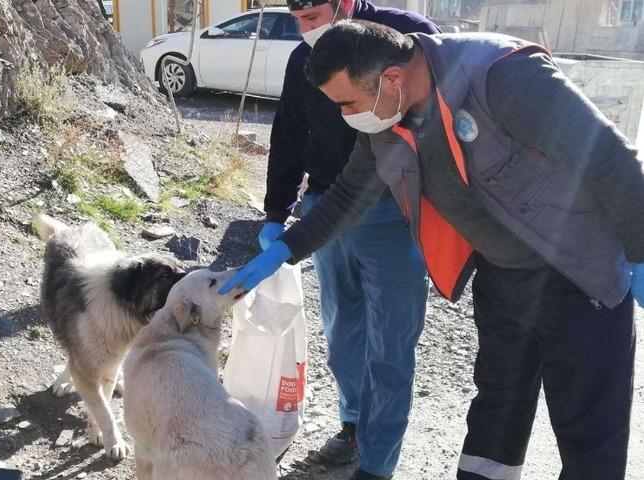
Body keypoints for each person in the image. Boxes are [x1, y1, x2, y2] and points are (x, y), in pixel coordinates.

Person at [222, 21, 644, 480]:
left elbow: (611, 160)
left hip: (579, 278)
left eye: (347, 103)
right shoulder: (386, 118)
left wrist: (641, 254)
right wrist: (284, 250)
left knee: (588, 434)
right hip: (503, 277)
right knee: (496, 412)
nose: (346, 116)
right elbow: (347, 196)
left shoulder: (503, 76)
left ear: (393, 79)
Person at [263, 1, 437, 478]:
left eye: (313, 17)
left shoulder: (409, 38)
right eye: (297, 20)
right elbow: (289, 134)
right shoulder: (306, 58)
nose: (305, 30)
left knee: (391, 345)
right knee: (342, 332)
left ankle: (378, 464)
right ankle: (353, 427)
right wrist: (276, 213)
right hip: (326, 211)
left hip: (396, 214)